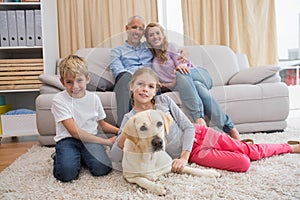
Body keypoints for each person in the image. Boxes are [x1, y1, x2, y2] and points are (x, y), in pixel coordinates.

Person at [110, 67, 300, 173]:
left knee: (249, 151)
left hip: (199, 135)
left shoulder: (164, 101)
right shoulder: (130, 119)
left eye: (150, 86)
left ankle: (289, 147)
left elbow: (188, 127)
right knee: (243, 163)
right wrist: (125, 134)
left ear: (155, 90)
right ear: (131, 86)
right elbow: (115, 158)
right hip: (196, 154)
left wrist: (183, 157)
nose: (145, 89)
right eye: (140, 84)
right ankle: (233, 147)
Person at [144, 22, 241, 140]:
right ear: (147, 40)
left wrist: (174, 80)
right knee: (201, 91)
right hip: (188, 84)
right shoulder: (151, 61)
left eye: (158, 33)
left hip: (199, 75)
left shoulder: (172, 47)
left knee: (181, 73)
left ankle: (198, 118)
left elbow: (183, 68)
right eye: (151, 35)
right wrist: (171, 84)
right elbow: (161, 84)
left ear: (163, 35)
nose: (155, 37)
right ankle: (231, 129)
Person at [51, 55, 119, 182]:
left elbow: (102, 124)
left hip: (90, 139)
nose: (75, 86)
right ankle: (59, 156)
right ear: (62, 82)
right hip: (68, 140)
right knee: (67, 175)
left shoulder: (94, 99)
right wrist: (106, 142)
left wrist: (120, 131)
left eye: (79, 80)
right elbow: (75, 132)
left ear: (87, 79)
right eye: (69, 82)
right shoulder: (59, 100)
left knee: (102, 169)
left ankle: (81, 156)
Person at [110, 16, 186, 127]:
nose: (137, 31)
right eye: (134, 27)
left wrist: (183, 51)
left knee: (153, 83)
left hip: (148, 80)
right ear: (127, 28)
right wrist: (137, 81)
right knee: (124, 76)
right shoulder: (117, 51)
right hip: (128, 79)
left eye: (140, 29)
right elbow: (118, 70)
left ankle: (156, 125)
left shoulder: (149, 47)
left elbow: (166, 47)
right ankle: (123, 127)